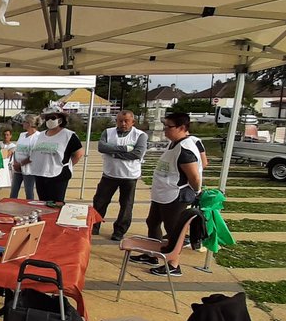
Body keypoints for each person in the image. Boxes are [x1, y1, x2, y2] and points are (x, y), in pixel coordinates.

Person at [133, 112, 202, 277]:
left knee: (173, 230)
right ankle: (153, 255)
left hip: (175, 195)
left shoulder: (186, 149)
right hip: (162, 194)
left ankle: (173, 264)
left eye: (169, 126)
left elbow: (194, 176)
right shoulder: (174, 143)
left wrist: (197, 192)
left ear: (182, 128)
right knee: (152, 222)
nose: (165, 129)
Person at [91, 110, 149, 241]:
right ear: (116, 121)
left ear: (132, 122)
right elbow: (101, 147)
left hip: (129, 176)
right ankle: (94, 226)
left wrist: (113, 152)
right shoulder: (108, 132)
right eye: (120, 121)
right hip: (109, 175)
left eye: (126, 121)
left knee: (126, 205)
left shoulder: (140, 135)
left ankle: (119, 231)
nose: (123, 123)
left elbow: (137, 154)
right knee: (99, 202)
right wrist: (126, 149)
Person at [26, 111, 83, 202]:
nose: (49, 120)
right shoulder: (41, 135)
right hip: (41, 174)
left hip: (58, 175)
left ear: (60, 119)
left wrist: (66, 165)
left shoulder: (68, 135)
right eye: (47, 118)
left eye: (52, 118)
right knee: (43, 202)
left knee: (55, 204)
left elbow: (78, 154)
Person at [0, 127, 16, 197]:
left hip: (8, 166)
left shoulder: (13, 146)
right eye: (4, 135)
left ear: (10, 136)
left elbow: (6, 155)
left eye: (7, 135)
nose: (6, 136)